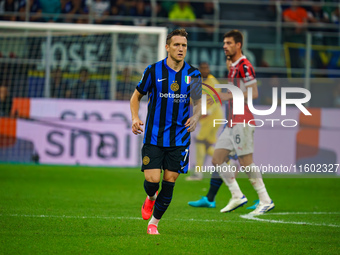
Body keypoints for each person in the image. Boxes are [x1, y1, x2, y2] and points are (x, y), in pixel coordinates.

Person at [189, 30, 274, 215]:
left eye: (228, 43)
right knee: (217, 159)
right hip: (231, 122)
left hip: (242, 120)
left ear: (238, 45)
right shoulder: (234, 66)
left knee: (245, 162)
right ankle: (237, 195)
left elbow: (254, 93)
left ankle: (265, 199)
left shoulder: (244, 65)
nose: (224, 46)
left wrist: (224, 96)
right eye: (224, 43)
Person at [130, 28, 201, 235]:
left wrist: (196, 117)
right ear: (167, 47)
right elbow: (136, 96)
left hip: (179, 138)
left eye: (184, 45)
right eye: (177, 45)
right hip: (154, 135)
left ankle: (154, 223)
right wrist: (135, 118)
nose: (181, 49)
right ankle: (151, 198)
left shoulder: (193, 74)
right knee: (152, 181)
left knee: (170, 181)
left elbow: (197, 103)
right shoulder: (153, 71)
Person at [185, 62, 223, 181]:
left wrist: (209, 111)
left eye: (207, 68)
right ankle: (228, 164)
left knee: (200, 140)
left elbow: (217, 99)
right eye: (203, 68)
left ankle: (198, 173)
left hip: (213, 117)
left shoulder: (213, 81)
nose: (205, 70)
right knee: (207, 144)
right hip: (206, 118)